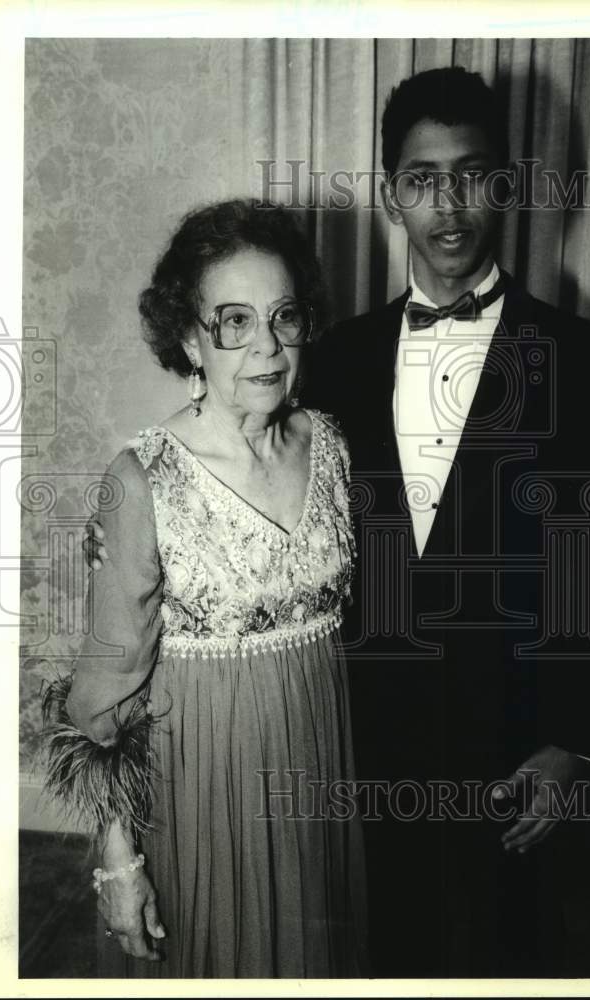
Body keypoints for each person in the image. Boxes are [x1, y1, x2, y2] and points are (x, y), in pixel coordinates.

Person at [87, 67, 590, 977]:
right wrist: (124, 539)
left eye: (472, 174)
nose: (449, 205)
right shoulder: (331, 362)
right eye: (423, 178)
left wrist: (573, 742)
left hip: (512, 761)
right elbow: (226, 483)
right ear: (392, 194)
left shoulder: (581, 359)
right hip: (352, 753)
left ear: (503, 184)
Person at [41, 199, 368, 978]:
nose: (267, 346)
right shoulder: (141, 481)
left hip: (321, 762)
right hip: (204, 788)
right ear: (190, 337)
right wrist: (120, 865)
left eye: (285, 317)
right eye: (234, 321)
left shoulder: (331, 444)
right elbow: (107, 696)